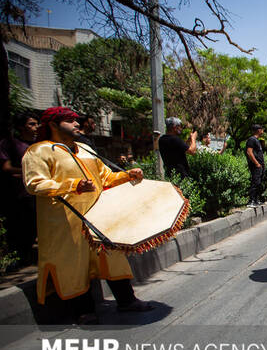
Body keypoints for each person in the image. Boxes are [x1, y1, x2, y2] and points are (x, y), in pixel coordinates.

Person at [22, 107, 153, 323]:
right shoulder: (39, 151)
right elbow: (34, 184)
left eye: (76, 120)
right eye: (69, 120)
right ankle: (84, 311)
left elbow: (106, 177)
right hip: (64, 222)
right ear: (53, 125)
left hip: (97, 217)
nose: (76, 123)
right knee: (73, 265)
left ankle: (127, 300)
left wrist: (127, 175)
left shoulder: (84, 149)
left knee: (113, 258)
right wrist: (73, 185)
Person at [0, 112, 39, 266]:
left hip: (39, 194)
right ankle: (20, 261)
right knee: (21, 229)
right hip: (21, 195)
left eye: (37, 124)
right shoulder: (10, 144)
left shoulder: (39, 146)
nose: (36, 127)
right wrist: (28, 173)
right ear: (20, 127)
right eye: (31, 124)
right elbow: (6, 167)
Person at [246, 124, 265, 207]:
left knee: (259, 183)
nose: (263, 131)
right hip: (255, 166)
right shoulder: (251, 139)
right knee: (255, 182)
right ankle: (251, 201)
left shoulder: (257, 140)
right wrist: (257, 163)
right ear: (258, 130)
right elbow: (249, 152)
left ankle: (256, 200)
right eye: (262, 129)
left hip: (259, 166)